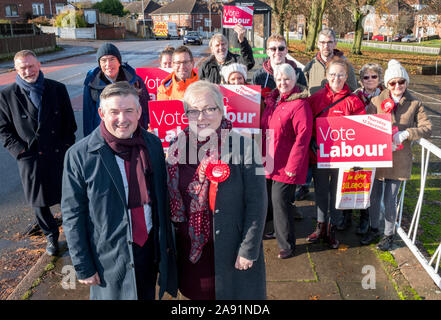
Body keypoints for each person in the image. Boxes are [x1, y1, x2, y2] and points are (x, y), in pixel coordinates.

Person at [61, 82, 177, 300]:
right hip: (108, 258)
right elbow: (72, 215)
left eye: (129, 111)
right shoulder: (79, 155)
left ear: (139, 112)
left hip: (148, 250)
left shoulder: (151, 143)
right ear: (101, 113)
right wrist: (83, 265)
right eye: (114, 112)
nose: (122, 119)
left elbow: (160, 198)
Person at [167, 80, 267, 300]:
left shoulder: (246, 146)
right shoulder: (175, 148)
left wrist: (248, 249)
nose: (201, 117)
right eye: (193, 111)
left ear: (221, 110)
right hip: (191, 255)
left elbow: (258, 203)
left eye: (209, 109)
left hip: (231, 251)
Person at [0, 50, 77, 256]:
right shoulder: (6, 95)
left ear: (39, 64)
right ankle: (51, 236)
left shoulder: (57, 89)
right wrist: (20, 150)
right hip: (30, 157)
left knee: (67, 197)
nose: (28, 71)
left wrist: (67, 147)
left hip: (58, 153)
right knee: (38, 201)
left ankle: (72, 233)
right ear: (16, 70)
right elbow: (3, 129)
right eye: (23, 67)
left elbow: (70, 123)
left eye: (31, 66)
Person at [362, 59, 432, 250]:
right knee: (373, 197)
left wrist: (407, 133)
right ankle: (373, 228)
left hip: (399, 159)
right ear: (387, 84)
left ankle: (388, 234)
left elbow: (427, 128)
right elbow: (364, 123)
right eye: (393, 82)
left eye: (401, 82)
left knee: (390, 200)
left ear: (406, 83)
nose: (397, 86)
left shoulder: (414, 103)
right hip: (377, 156)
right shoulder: (376, 101)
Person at [306, 57, 366, 249]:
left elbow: (360, 130)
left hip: (342, 158)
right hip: (320, 156)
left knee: (337, 193)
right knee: (321, 193)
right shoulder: (316, 98)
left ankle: (332, 228)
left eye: (340, 74)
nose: (336, 78)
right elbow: (306, 124)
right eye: (333, 74)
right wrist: (312, 140)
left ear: (346, 76)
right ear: (326, 76)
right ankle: (320, 226)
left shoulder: (353, 101)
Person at [261, 64, 312, 259]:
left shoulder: (300, 104)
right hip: (269, 160)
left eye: (287, 79)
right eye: (279, 79)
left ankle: (287, 244)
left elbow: (303, 137)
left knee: (281, 202)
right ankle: (271, 231)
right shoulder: (272, 101)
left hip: (286, 165)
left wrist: (293, 166)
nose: (283, 83)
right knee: (269, 201)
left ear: (295, 79)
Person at [341, 63, 385, 235]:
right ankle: (347, 216)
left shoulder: (385, 97)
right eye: (366, 77)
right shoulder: (354, 96)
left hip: (374, 145)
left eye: (374, 76)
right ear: (361, 80)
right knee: (350, 179)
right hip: (355, 144)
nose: (370, 80)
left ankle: (365, 218)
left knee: (368, 182)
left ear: (379, 79)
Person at [83, 43, 150, 137]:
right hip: (104, 138)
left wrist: (145, 136)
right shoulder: (91, 84)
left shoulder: (136, 81)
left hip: (132, 136)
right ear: (99, 64)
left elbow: (145, 111)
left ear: (119, 61)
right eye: (103, 60)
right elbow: (88, 117)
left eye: (112, 59)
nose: (108, 64)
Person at [303, 29, 358, 95]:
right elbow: (303, 92)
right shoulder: (310, 66)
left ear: (335, 43)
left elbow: (353, 91)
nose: (326, 46)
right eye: (322, 42)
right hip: (314, 104)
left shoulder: (345, 64)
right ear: (318, 44)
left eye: (329, 42)